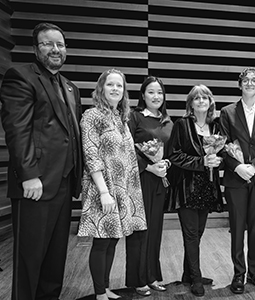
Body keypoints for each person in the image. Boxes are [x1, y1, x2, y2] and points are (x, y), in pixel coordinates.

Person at [0, 22, 82, 300]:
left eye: (60, 44)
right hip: (35, 184)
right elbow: (17, 129)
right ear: (36, 49)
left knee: (55, 259)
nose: (55, 49)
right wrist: (28, 175)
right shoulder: (21, 76)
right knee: (29, 259)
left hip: (64, 183)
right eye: (48, 43)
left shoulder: (70, 87)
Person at [77, 69, 147, 300]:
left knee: (113, 239)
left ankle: (105, 287)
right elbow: (91, 154)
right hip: (103, 188)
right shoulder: (91, 115)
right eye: (110, 85)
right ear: (101, 88)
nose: (115, 89)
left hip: (122, 189)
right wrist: (104, 192)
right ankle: (99, 293)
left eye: (120, 85)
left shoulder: (121, 118)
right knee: (101, 240)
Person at [219, 67, 255, 294]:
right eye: (246, 80)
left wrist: (254, 166)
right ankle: (238, 274)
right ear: (240, 84)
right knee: (236, 228)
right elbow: (222, 143)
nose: (250, 83)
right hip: (236, 179)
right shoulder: (227, 112)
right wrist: (237, 167)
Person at [168, 84, 223, 297]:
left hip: (208, 187)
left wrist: (218, 160)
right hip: (187, 188)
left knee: (198, 234)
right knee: (191, 234)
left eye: (205, 98)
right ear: (190, 103)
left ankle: (187, 274)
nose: (201, 101)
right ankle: (196, 278)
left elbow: (223, 153)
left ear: (210, 103)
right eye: (196, 98)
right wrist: (202, 162)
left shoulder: (215, 127)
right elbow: (174, 155)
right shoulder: (181, 124)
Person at [125, 76, 173, 296]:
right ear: (143, 95)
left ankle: (152, 275)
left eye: (160, 92)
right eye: (151, 92)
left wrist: (165, 163)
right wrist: (148, 166)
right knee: (139, 230)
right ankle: (137, 279)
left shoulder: (167, 121)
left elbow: (172, 151)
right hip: (140, 179)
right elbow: (126, 149)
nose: (156, 96)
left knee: (154, 230)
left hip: (159, 181)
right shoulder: (134, 117)